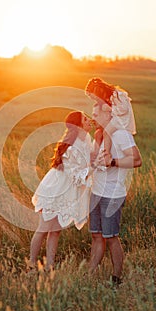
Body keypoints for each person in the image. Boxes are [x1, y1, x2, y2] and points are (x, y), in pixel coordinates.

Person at [85, 79, 142, 284]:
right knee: (96, 236)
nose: (93, 113)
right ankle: (90, 274)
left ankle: (117, 278)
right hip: (96, 191)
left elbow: (137, 160)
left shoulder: (121, 135)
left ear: (108, 111)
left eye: (95, 109)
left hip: (112, 194)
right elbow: (93, 159)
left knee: (111, 237)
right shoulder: (99, 135)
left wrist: (114, 162)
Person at [27, 111, 93, 271]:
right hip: (55, 189)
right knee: (43, 229)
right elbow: (75, 175)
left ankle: (50, 266)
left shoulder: (87, 139)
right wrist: (94, 167)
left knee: (55, 231)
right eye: (85, 119)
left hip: (68, 191)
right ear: (79, 125)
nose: (89, 120)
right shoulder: (71, 146)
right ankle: (31, 264)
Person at [85, 77, 136, 167]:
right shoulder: (110, 96)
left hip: (121, 119)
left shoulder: (116, 95)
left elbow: (123, 110)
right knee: (103, 132)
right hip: (117, 117)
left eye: (93, 96)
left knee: (106, 132)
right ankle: (102, 155)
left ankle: (107, 155)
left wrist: (110, 109)